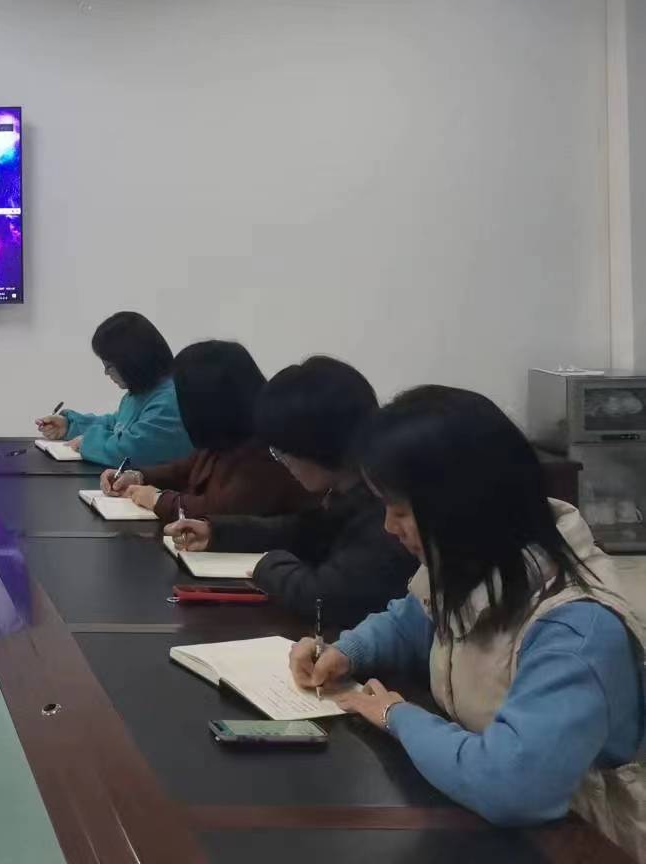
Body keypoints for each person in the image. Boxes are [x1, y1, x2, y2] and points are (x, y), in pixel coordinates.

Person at [293, 387, 646, 850]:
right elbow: (411, 622)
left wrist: (397, 716)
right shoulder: (474, 562)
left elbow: (513, 787)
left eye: (400, 511)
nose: (388, 528)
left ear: (459, 506)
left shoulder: (577, 630)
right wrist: (346, 652)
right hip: (481, 818)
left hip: (583, 839)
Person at [165, 355, 414, 627]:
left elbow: (321, 599)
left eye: (283, 451)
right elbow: (301, 530)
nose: (282, 462)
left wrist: (268, 564)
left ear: (317, 445)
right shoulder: (347, 493)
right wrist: (216, 533)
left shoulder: (384, 510)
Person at [104, 340, 309, 523]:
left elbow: (220, 511)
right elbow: (183, 470)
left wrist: (158, 499)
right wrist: (138, 476)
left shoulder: (267, 452)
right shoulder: (226, 435)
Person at [33, 311, 190, 467]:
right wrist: (69, 426)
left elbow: (132, 450)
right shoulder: (140, 393)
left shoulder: (169, 401)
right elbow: (115, 425)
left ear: (132, 361)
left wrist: (87, 442)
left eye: (109, 366)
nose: (106, 373)